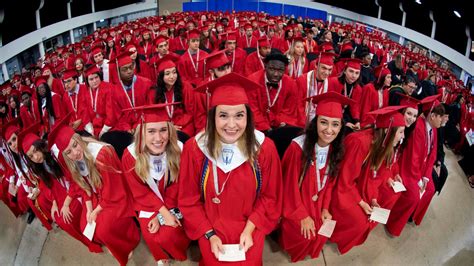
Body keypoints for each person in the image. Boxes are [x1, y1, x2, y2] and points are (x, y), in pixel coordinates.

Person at [178, 73, 282, 265]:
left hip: (252, 224)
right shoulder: (195, 149)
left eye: (239, 115)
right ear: (213, 117)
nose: (232, 125)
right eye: (223, 115)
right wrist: (209, 234)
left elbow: (270, 197)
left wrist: (250, 230)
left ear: (248, 117)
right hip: (209, 227)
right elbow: (188, 200)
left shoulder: (264, 149)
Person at [48, 114, 140, 265]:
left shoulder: (101, 154)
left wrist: (96, 210)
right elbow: (85, 187)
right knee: (85, 224)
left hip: (116, 195)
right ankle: (115, 244)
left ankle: (129, 241)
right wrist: (90, 208)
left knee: (103, 228)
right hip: (99, 195)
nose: (75, 153)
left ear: (79, 139)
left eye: (75, 145)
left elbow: (113, 190)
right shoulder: (74, 162)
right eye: (68, 152)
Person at [280, 92, 353, 262]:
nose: (329, 130)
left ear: (341, 126)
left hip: (318, 203)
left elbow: (330, 184)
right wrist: (301, 216)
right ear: (315, 123)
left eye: (335, 124)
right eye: (323, 122)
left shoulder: (336, 150)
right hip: (296, 204)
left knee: (322, 235)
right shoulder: (297, 149)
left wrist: (325, 208)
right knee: (305, 236)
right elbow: (288, 187)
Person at [329, 106, 406, 254]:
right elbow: (345, 181)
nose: (403, 136)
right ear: (388, 131)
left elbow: (373, 176)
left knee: (375, 210)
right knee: (360, 221)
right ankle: (336, 235)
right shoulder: (360, 143)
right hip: (340, 185)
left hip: (356, 184)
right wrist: (362, 202)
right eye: (401, 132)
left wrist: (373, 199)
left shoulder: (382, 144)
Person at [121, 103, 191, 264]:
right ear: (142, 133)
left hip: (175, 201)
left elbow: (180, 185)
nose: (158, 138)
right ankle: (162, 257)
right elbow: (138, 191)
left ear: (170, 130)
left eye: (163, 130)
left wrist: (162, 215)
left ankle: (178, 250)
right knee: (151, 234)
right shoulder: (130, 156)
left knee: (169, 233)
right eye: (151, 131)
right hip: (146, 204)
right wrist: (162, 213)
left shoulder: (179, 150)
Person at [18, 122, 102, 253]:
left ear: (40, 145)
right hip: (65, 187)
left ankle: (93, 238)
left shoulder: (56, 154)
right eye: (31, 156)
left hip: (78, 185)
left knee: (68, 216)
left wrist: (67, 202)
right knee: (59, 217)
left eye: (36, 151)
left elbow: (75, 180)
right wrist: (55, 203)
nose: (36, 157)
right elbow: (51, 183)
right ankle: (88, 239)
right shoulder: (39, 166)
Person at [386, 95, 445, 237]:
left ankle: (413, 216)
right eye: (440, 117)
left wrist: (425, 177)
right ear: (432, 116)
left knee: (430, 188)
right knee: (413, 195)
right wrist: (418, 179)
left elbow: (433, 153)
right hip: (409, 168)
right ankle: (393, 224)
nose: (442, 120)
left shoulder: (434, 129)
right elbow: (413, 157)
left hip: (422, 168)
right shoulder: (418, 127)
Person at [148, 55, 196, 138]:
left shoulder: (185, 87)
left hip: (183, 125)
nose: (172, 77)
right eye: (167, 73)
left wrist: (178, 125)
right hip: (163, 126)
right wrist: (169, 126)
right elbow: (153, 115)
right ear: (161, 76)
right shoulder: (153, 92)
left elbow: (190, 111)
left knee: (182, 137)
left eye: (174, 72)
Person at [248, 53, 299, 131]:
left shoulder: (290, 84)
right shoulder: (253, 82)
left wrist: (279, 123)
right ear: (265, 67)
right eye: (272, 69)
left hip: (279, 126)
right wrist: (266, 127)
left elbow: (289, 109)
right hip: (257, 126)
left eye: (280, 70)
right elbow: (252, 109)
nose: (276, 74)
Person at [296, 52, 336, 128]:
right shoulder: (302, 80)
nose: (327, 72)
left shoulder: (330, 83)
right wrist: (303, 124)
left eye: (329, 69)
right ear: (316, 66)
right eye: (323, 68)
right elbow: (299, 104)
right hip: (301, 120)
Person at [327, 58, 363, 132]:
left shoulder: (358, 88)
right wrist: (344, 122)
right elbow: (331, 104)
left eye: (357, 73)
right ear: (344, 71)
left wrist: (357, 121)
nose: (353, 76)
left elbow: (355, 106)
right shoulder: (333, 82)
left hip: (346, 114)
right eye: (351, 71)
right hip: (332, 113)